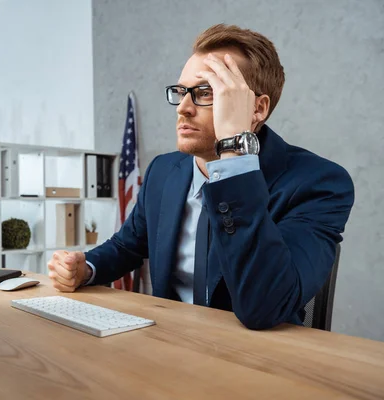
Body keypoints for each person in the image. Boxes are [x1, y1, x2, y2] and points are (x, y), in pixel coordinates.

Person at [47, 24, 354, 330]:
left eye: (206, 92)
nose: (183, 108)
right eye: (181, 92)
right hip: (166, 342)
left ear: (257, 108)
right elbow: (129, 246)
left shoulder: (319, 184)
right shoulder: (164, 171)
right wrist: (86, 267)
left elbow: (265, 306)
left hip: (255, 360)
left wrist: (234, 150)